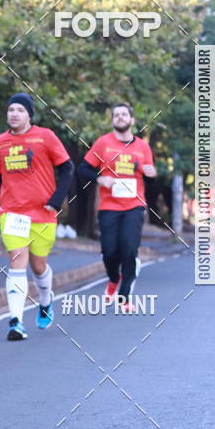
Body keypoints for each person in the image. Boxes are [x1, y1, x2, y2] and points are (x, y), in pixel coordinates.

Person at [0, 93, 74, 341]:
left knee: (38, 267)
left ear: (29, 114)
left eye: (20, 110)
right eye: (11, 109)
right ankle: (16, 322)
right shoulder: (1, 142)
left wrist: (56, 201)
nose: (14, 114)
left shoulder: (45, 136)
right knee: (16, 262)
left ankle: (46, 299)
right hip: (12, 212)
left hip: (42, 213)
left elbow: (67, 168)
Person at [77, 102, 156, 314]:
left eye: (124, 114)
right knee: (109, 251)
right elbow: (83, 169)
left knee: (129, 250)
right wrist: (100, 179)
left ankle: (125, 295)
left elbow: (150, 177)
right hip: (109, 205)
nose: (120, 117)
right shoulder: (103, 143)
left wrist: (151, 174)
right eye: (116, 115)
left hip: (134, 205)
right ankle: (113, 279)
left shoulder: (142, 147)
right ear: (113, 120)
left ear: (132, 120)